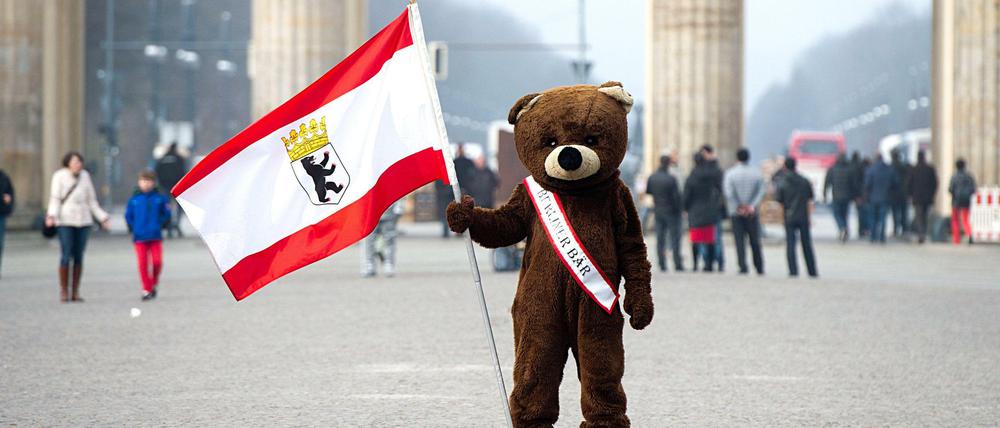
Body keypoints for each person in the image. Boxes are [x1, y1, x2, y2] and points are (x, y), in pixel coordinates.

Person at [46, 151, 111, 302]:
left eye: (80, 162)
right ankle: (64, 290)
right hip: (65, 220)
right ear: (68, 163)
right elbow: (55, 198)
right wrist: (52, 216)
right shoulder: (59, 176)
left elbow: (92, 201)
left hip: (83, 220)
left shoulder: (85, 176)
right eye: (75, 162)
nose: (78, 165)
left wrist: (102, 218)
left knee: (79, 255)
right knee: (66, 253)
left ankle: (75, 290)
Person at [125, 170, 171, 300]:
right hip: (139, 237)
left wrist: (161, 224)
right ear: (139, 182)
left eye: (148, 181)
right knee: (142, 264)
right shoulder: (134, 200)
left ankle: (154, 282)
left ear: (153, 183)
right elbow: (129, 216)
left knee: (157, 262)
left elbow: (167, 214)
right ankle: (146, 288)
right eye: (143, 181)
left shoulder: (159, 198)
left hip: (155, 236)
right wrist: (133, 227)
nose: (146, 184)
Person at [724, 148, 765, 275]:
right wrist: (751, 206)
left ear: (737, 158)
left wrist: (738, 206)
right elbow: (761, 191)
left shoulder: (730, 173)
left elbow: (729, 192)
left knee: (739, 241)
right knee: (755, 241)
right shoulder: (757, 173)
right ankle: (759, 266)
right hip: (752, 212)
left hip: (736, 212)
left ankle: (743, 266)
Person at [775, 157, 818, 278]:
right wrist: (809, 216)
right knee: (806, 244)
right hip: (803, 215)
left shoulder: (782, 182)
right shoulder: (804, 181)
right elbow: (810, 199)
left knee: (790, 244)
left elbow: (779, 201)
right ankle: (812, 270)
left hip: (789, 216)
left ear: (785, 167)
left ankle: (793, 270)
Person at [684, 153, 722, 272]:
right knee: (709, 239)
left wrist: (685, 208)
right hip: (709, 209)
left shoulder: (691, 177)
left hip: (695, 210)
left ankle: (695, 264)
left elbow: (686, 196)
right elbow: (719, 189)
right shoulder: (711, 175)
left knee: (695, 240)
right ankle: (709, 264)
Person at [646, 154, 684, 272]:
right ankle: (677, 263)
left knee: (660, 238)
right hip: (671, 212)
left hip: (658, 210)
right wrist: (680, 210)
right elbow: (676, 197)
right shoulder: (671, 179)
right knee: (675, 238)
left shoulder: (652, 177)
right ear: (668, 164)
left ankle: (662, 264)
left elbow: (649, 192)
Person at [699, 145, 725, 272]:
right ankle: (718, 262)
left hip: (707, 209)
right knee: (716, 236)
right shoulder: (717, 169)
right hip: (715, 208)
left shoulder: (704, 171)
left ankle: (709, 262)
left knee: (709, 237)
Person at [863, 154, 900, 244]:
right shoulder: (890, 169)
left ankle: (873, 236)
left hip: (873, 198)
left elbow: (867, 184)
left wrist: (866, 196)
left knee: (872, 218)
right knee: (883, 218)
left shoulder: (871, 170)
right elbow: (896, 183)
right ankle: (882, 237)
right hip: (885, 197)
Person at [361, 200, 404, 277]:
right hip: (371, 212)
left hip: (389, 212)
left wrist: (399, 207)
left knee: (390, 241)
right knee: (369, 241)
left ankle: (389, 264)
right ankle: (369, 265)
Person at [154, 143, 189, 238]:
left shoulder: (162, 159)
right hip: (177, 186)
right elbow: (184, 172)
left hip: (165, 187)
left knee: (167, 206)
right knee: (179, 206)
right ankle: (177, 223)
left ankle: (169, 226)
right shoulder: (180, 159)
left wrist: (161, 184)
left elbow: (156, 171)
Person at [824, 154, 857, 242]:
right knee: (844, 214)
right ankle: (845, 229)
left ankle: (842, 228)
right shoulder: (850, 170)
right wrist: (855, 195)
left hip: (836, 196)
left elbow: (827, 183)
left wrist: (824, 195)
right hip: (847, 196)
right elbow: (853, 184)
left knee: (837, 214)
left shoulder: (832, 169)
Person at [907, 151, 938, 244]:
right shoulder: (930, 169)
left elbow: (909, 183)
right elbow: (935, 183)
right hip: (927, 197)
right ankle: (924, 232)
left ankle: (921, 234)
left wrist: (910, 194)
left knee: (919, 216)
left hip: (917, 197)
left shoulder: (913, 169)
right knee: (925, 216)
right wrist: (932, 194)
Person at [948, 158, 977, 245]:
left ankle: (956, 239)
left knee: (955, 220)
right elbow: (973, 188)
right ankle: (969, 233)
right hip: (966, 201)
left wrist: (954, 194)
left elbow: (950, 189)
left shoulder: (954, 177)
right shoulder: (969, 176)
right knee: (965, 219)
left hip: (956, 201)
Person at [889, 151, 911, 237]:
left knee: (895, 212)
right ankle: (904, 228)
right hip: (903, 193)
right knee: (903, 212)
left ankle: (896, 228)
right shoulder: (904, 167)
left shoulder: (891, 167)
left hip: (894, 194)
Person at [850, 152, 870, 238]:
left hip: (859, 195)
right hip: (865, 195)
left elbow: (854, 184)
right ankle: (865, 229)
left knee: (861, 213)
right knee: (865, 213)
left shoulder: (852, 168)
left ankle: (861, 230)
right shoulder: (864, 169)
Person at [0, 166, 13, 279]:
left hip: (1, 214)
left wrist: (8, 201)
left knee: (0, 243)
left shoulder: (4, 177)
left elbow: (10, 193)